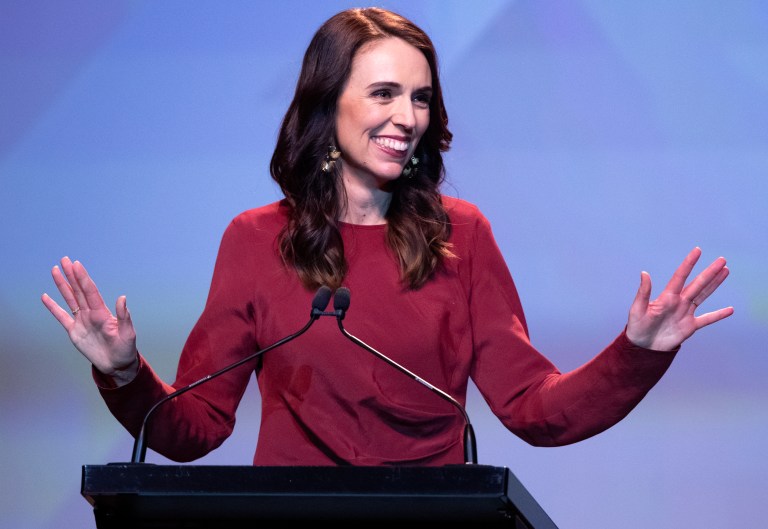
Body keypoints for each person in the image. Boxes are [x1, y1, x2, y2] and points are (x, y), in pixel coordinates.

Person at [41, 7, 732, 466]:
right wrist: (125, 373)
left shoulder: (463, 237)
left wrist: (637, 352)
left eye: (422, 97)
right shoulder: (256, 241)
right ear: (328, 102)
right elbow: (194, 429)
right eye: (384, 94)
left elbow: (533, 409)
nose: (409, 116)